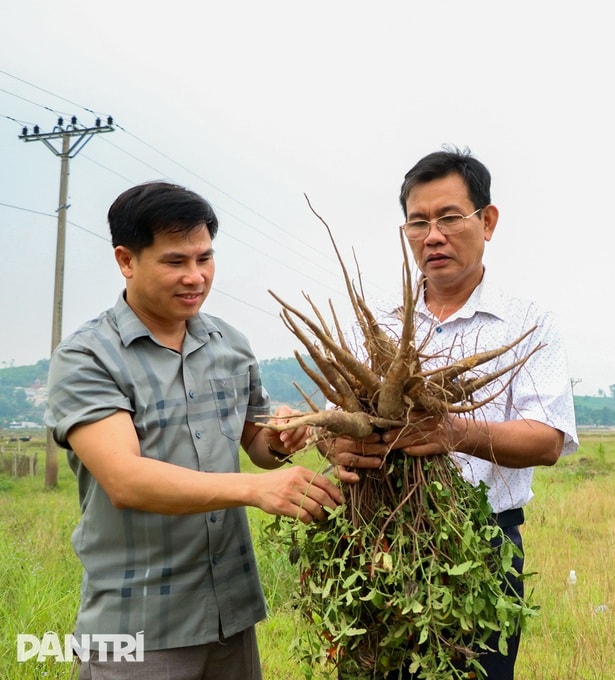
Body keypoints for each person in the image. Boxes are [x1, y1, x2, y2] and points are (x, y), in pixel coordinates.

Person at [45, 181, 348, 680]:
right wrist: (256, 488)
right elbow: (124, 479)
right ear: (126, 260)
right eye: (175, 262)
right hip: (137, 626)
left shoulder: (229, 343)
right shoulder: (88, 357)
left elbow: (257, 442)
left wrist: (281, 439)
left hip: (230, 619)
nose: (195, 277)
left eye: (205, 258)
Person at [323, 146, 579, 679]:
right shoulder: (376, 323)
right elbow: (333, 421)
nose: (432, 236)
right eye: (417, 222)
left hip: (480, 546)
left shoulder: (527, 323)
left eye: (448, 218)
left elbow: (548, 441)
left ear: (487, 222)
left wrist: (455, 431)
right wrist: (336, 444)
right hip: (374, 544)